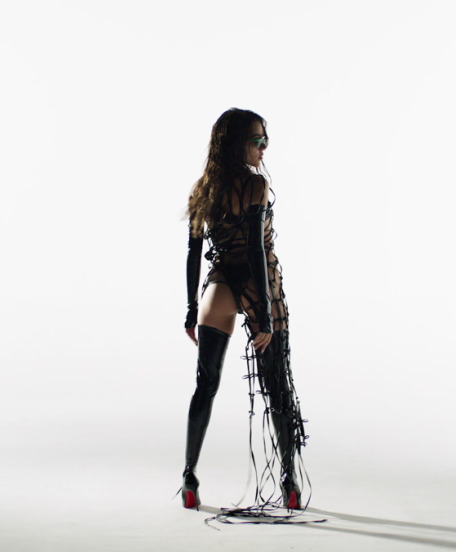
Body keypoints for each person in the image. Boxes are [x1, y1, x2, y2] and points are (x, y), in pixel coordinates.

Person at [180, 108, 307, 512]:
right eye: (258, 140)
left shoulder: (204, 188)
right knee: (277, 387)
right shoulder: (256, 185)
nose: (264, 147)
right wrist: (265, 316)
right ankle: (289, 481)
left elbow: (194, 254)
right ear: (238, 143)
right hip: (258, 284)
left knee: (205, 385)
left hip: (220, 284)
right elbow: (255, 250)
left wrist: (191, 310)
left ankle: (189, 477)